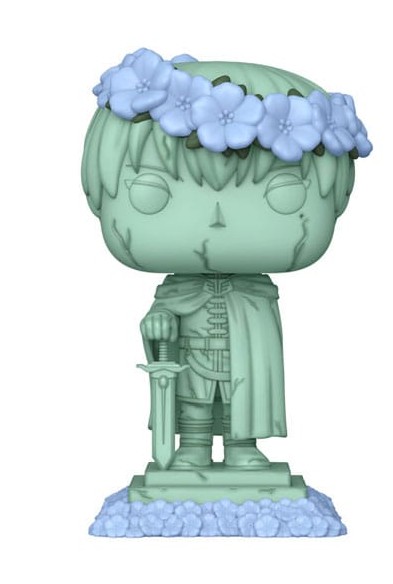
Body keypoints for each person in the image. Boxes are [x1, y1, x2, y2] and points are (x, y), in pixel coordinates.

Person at [82, 49, 371, 470]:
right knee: (193, 401)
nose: (216, 219)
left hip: (241, 351)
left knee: (245, 395)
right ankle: (193, 448)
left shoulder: (258, 297)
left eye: (285, 194)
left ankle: (242, 447)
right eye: (152, 194)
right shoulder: (177, 292)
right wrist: (158, 322)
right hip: (192, 354)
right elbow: (159, 320)